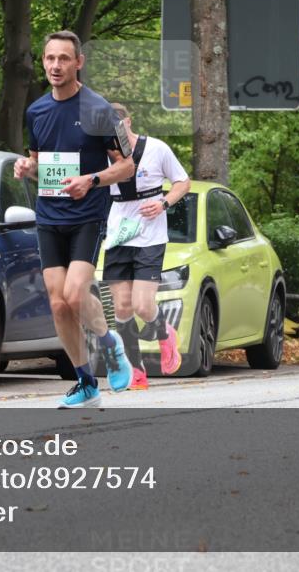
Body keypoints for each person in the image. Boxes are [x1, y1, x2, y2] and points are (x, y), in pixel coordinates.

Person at [14, 30, 138, 407]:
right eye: (50, 58)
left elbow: (128, 167)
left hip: (88, 214)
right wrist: (26, 167)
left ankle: (110, 343)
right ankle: (85, 382)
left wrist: (92, 180)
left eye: (64, 59)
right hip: (49, 214)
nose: (56, 65)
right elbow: (39, 164)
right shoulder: (35, 111)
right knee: (57, 304)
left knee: (74, 293)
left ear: (78, 62)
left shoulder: (98, 110)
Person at [102, 103, 191, 389]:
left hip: (151, 237)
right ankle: (136, 371)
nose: (113, 135)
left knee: (142, 304)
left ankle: (165, 334)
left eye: (117, 127)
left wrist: (164, 202)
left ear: (128, 121)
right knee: (122, 308)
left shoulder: (157, 149)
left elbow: (183, 182)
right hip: (118, 234)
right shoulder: (100, 154)